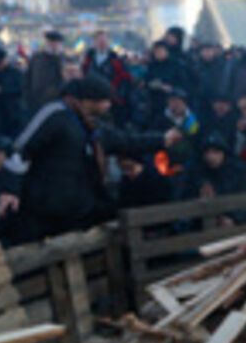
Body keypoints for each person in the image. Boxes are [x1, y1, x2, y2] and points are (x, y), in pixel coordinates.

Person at [13, 76, 179, 239]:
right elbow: (21, 150)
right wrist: (11, 189)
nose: (109, 105)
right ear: (89, 100)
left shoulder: (93, 126)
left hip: (79, 205)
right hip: (48, 206)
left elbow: (126, 141)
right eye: (105, 100)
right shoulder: (55, 114)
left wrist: (161, 140)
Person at [82, 30, 133, 122]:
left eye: (104, 40)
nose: (102, 43)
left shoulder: (116, 60)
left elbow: (125, 79)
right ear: (94, 42)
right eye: (99, 40)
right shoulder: (88, 60)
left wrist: (118, 97)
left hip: (111, 100)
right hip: (91, 100)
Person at [185, 132, 245, 200]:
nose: (210, 157)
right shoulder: (195, 172)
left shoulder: (236, 171)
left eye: (216, 152)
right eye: (207, 152)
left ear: (224, 153)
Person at [0, 48, 26, 137]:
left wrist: (3, 90)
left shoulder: (15, 73)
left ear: (5, 60)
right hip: (0, 114)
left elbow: (21, 89)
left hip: (14, 113)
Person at [25, 30, 66, 111]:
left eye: (56, 43)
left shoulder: (63, 59)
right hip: (36, 100)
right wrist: (27, 97)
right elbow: (28, 78)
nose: (53, 45)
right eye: (51, 42)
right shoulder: (37, 58)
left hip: (56, 100)